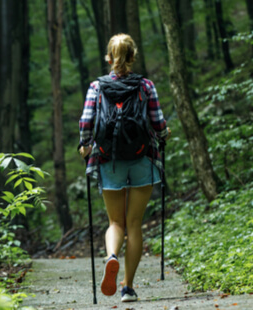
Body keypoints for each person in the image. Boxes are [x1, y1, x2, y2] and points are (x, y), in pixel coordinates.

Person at [78, 33, 170, 302]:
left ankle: (111, 256)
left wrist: (85, 146)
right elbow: (158, 123)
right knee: (135, 225)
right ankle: (127, 287)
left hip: (110, 160)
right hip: (141, 159)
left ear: (109, 57)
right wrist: (165, 136)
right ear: (133, 57)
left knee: (115, 222)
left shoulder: (97, 87)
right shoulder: (146, 86)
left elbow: (86, 123)